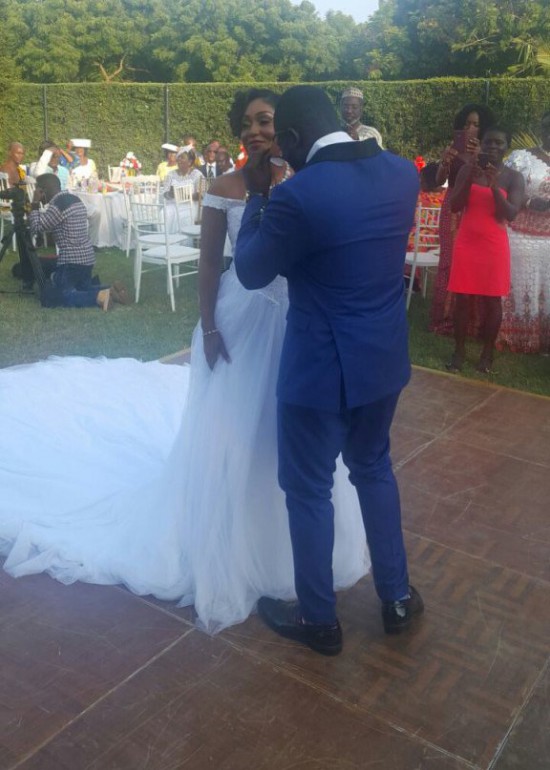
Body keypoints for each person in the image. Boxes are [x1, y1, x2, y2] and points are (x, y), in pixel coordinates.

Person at [0, 89, 368, 636]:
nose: (254, 131)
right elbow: (211, 268)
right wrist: (211, 327)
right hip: (241, 322)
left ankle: (297, 547)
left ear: (284, 128)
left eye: (265, 121)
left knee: (291, 436)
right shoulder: (223, 189)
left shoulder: (307, 183)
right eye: (245, 123)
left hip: (300, 323)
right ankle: (234, 540)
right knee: (236, 428)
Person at [234, 85, 422, 656]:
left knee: (309, 488)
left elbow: (249, 270)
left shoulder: (299, 196)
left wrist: (257, 195)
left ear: (289, 140)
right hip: (384, 359)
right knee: (374, 468)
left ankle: (320, 619)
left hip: (318, 370)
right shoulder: (402, 176)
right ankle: (396, 598)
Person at [446, 127, 524, 373]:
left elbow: (509, 214)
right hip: (467, 243)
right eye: (489, 142)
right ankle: (459, 351)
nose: (492, 147)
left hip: (494, 246)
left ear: (506, 147)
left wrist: (492, 186)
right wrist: (470, 175)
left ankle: (487, 354)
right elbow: (455, 206)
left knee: (492, 301)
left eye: (499, 143)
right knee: (462, 299)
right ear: (482, 144)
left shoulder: (513, 177)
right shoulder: (467, 170)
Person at [430, 104, 495, 335]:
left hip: (476, 210)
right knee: (449, 261)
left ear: (483, 128)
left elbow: (489, 183)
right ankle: (444, 318)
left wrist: (479, 158)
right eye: (466, 123)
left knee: (472, 264)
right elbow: (438, 180)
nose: (470, 128)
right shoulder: (452, 149)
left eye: (476, 124)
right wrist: (445, 161)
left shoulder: (488, 152)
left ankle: (472, 322)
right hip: (452, 209)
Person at [29, 174, 128, 310]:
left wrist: (34, 203)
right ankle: (111, 290)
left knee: (56, 295)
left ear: (43, 190)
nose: (36, 192)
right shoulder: (74, 199)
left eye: (37, 189)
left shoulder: (57, 205)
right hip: (87, 259)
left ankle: (99, 297)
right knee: (82, 287)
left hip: (71, 262)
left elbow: (37, 227)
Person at [501, 110, 550, 353]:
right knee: (521, 284)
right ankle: (516, 335)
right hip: (521, 234)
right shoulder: (522, 158)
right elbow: (501, 188)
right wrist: (529, 203)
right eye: (546, 125)